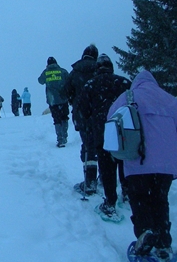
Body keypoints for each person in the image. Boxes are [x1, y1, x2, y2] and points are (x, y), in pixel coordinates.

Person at [108, 70, 177, 262]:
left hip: (138, 160)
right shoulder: (170, 100)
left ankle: (145, 233)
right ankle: (163, 242)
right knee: (161, 200)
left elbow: (110, 121)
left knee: (139, 198)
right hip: (166, 166)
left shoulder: (127, 97)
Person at [79, 54, 131, 220]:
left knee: (107, 166)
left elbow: (84, 111)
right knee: (124, 162)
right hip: (124, 132)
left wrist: (89, 123)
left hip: (103, 132)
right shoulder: (123, 83)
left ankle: (110, 202)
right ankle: (128, 193)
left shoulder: (90, 85)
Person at [64, 44, 99, 195]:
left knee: (88, 145)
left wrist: (74, 100)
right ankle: (105, 177)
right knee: (104, 146)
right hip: (101, 114)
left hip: (82, 115)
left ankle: (90, 181)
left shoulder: (75, 71)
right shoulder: (100, 69)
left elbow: (65, 91)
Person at [38, 57, 70, 147]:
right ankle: (64, 136)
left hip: (52, 100)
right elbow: (69, 81)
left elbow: (40, 81)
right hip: (63, 98)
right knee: (64, 117)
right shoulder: (62, 71)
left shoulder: (46, 72)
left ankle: (60, 139)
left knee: (56, 119)